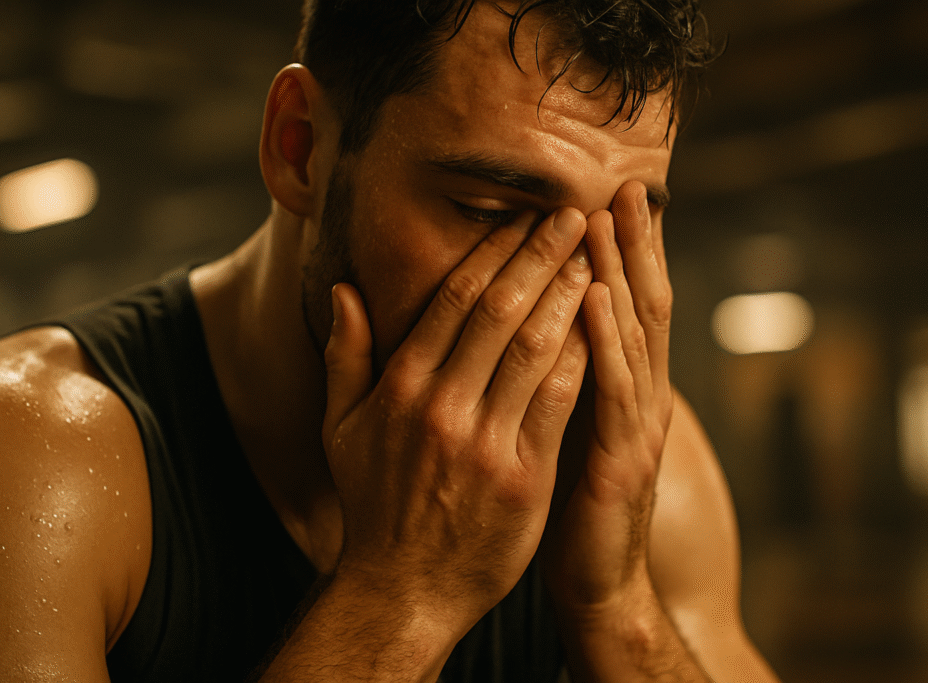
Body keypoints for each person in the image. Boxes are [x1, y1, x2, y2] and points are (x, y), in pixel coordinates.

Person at [0, 1, 779, 680]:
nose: (561, 300)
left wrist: (616, 605)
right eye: (488, 209)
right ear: (299, 145)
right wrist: (404, 594)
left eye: (623, 229)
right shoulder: (42, 452)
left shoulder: (639, 465)